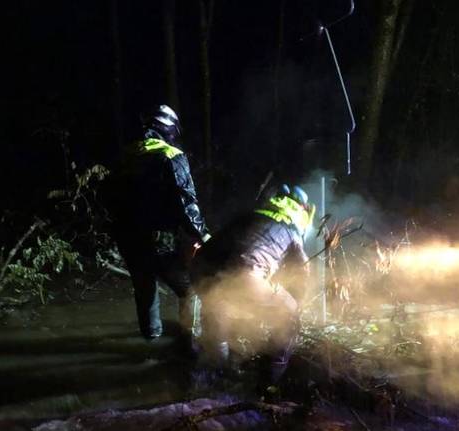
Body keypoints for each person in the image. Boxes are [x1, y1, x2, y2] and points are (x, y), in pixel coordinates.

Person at [105, 104, 210, 340]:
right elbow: (187, 203)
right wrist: (204, 235)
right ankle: (191, 346)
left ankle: (150, 345)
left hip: (128, 240)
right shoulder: (171, 156)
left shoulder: (126, 157)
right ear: (170, 130)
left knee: (145, 290)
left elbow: (109, 199)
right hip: (159, 240)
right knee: (190, 289)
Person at [192, 184, 314, 382]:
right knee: (289, 316)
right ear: (301, 210)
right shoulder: (291, 228)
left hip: (201, 270)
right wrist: (296, 302)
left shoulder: (251, 215)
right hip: (245, 275)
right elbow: (302, 274)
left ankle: (215, 374)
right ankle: (269, 383)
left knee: (216, 307)